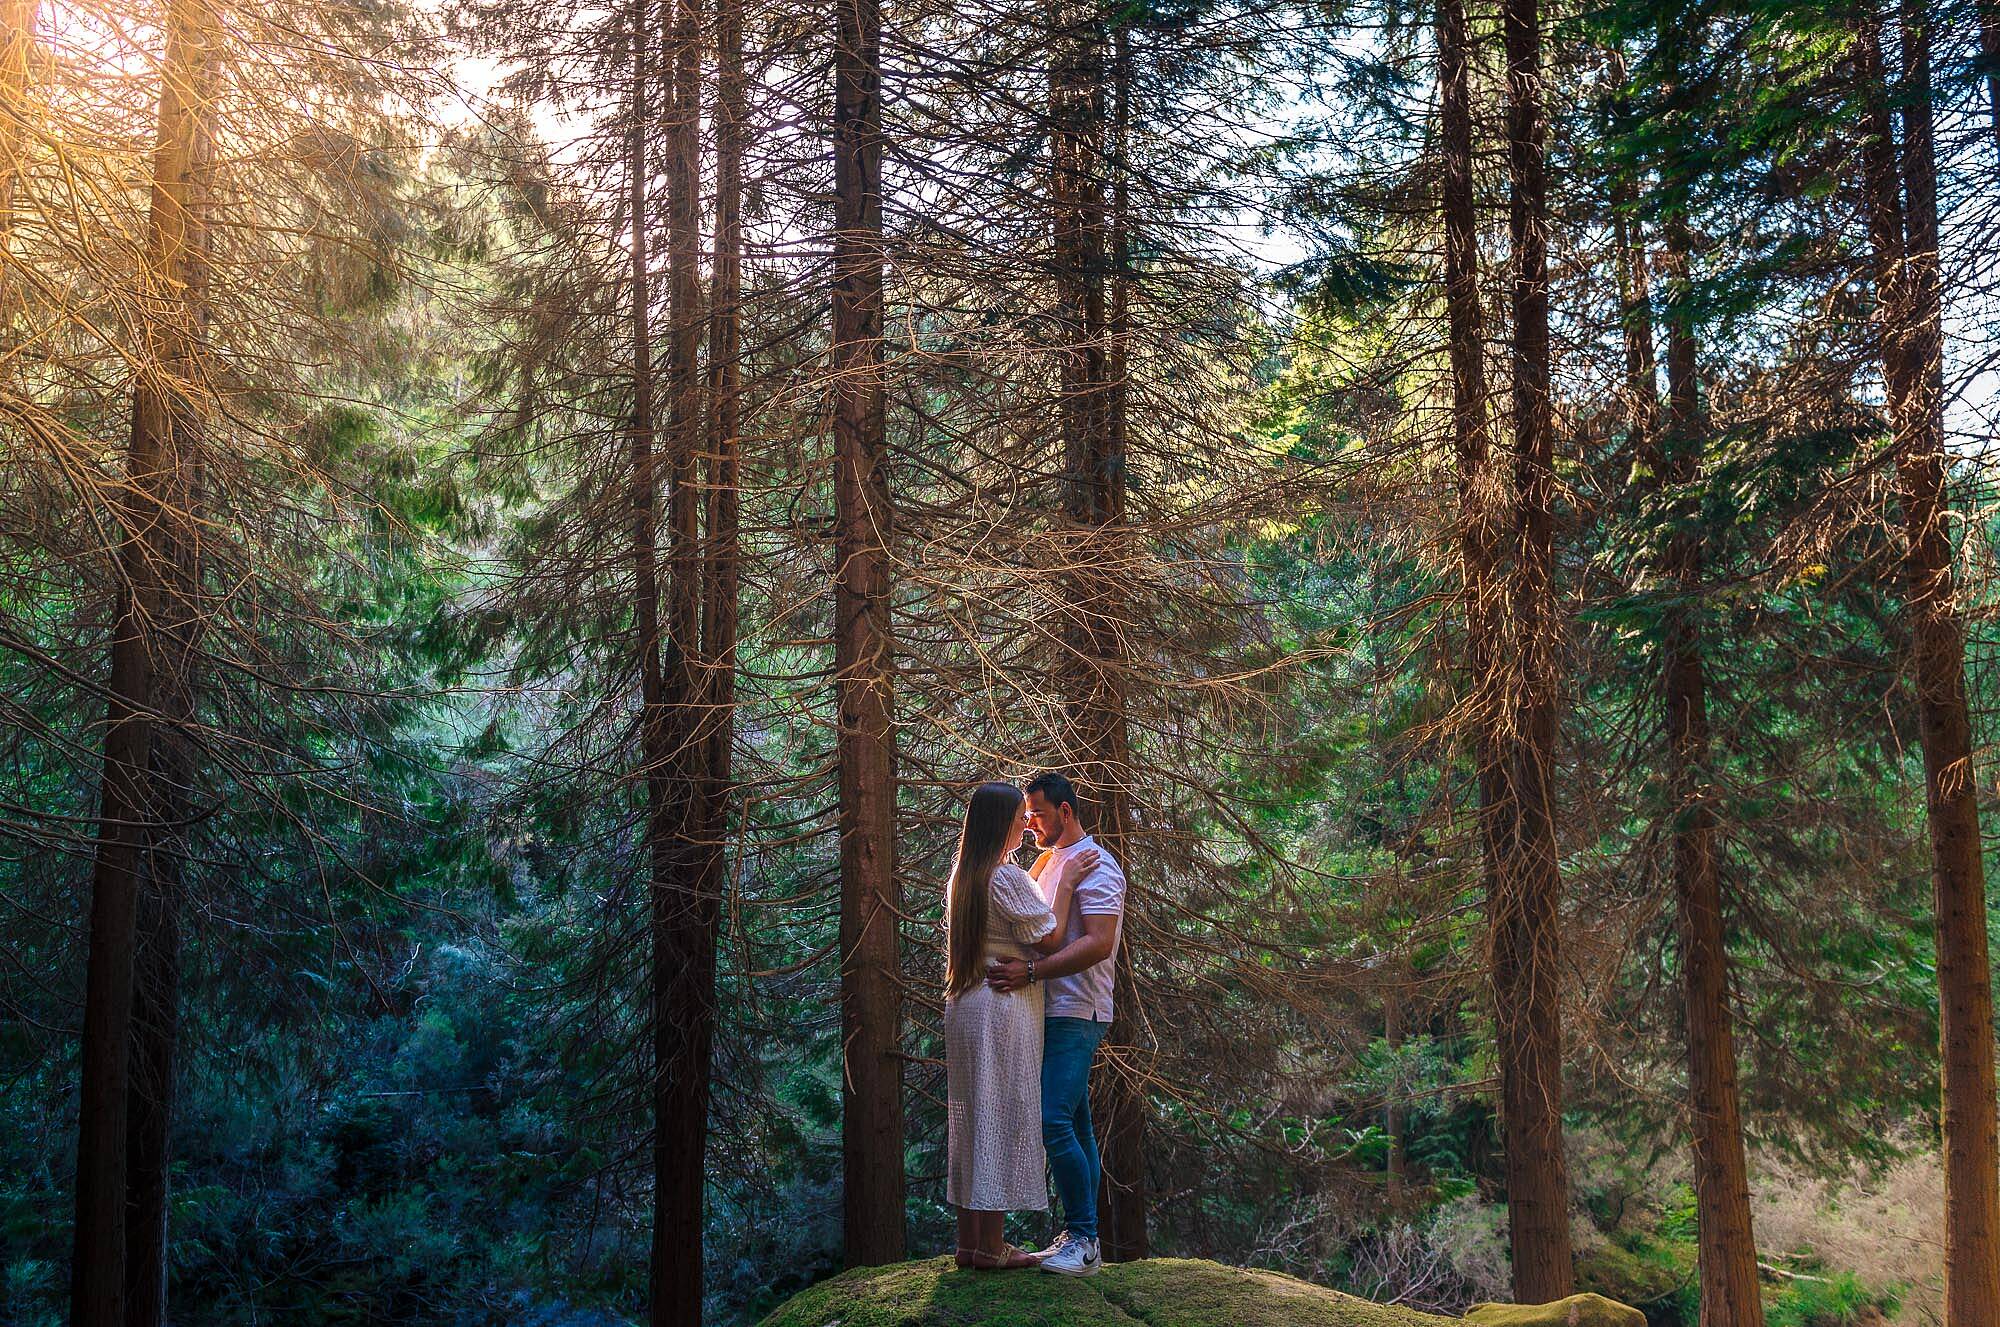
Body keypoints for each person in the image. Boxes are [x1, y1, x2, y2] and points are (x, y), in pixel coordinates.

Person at [942, 780, 1100, 1270]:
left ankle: (970, 1244)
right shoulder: (1003, 879)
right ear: (1000, 823)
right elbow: (1050, 938)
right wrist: (1067, 879)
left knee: (970, 1118)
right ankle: (993, 1248)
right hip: (1001, 1009)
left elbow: (1014, 907)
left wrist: (1042, 869)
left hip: (967, 1005)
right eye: (1018, 815)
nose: (1026, 822)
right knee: (999, 1118)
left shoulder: (967, 876)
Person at [985, 771, 1126, 1278]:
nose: (1030, 823)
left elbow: (1098, 943)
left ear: (1066, 811)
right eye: (1027, 814)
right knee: (1077, 1123)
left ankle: (1085, 1240)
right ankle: (1079, 1236)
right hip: (1049, 1011)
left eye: (1038, 814)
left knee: (1054, 1122)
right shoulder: (1048, 862)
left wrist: (1032, 971)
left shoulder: (1097, 865)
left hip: (1077, 1010)